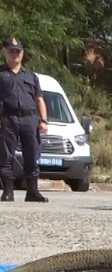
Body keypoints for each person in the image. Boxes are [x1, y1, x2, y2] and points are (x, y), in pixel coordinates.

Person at [0, 37, 48, 202]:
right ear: (5, 52)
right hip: (8, 118)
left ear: (22, 53)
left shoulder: (31, 76)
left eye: (17, 51)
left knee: (32, 155)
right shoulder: (1, 74)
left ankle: (32, 191)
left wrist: (43, 120)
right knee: (6, 156)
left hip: (29, 118)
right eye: (11, 51)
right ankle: (8, 191)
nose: (15, 54)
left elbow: (39, 99)